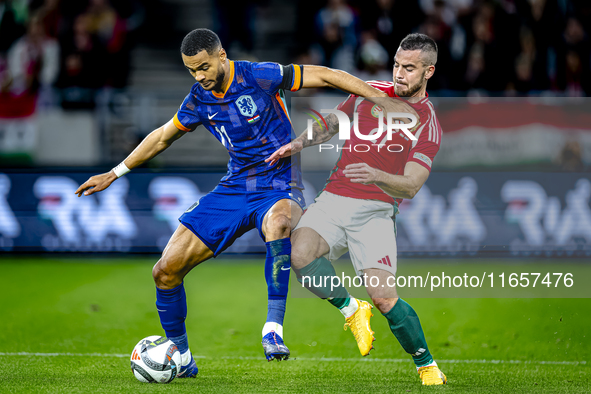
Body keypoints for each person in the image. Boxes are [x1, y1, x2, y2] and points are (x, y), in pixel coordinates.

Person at [74, 28, 410, 377]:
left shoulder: (260, 76)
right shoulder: (198, 99)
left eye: (203, 67)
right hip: (235, 187)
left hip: (280, 182)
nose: (199, 76)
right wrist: (114, 173)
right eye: (192, 70)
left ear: (222, 55)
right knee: (165, 271)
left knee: (279, 222)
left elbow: (327, 75)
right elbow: (161, 138)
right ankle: (184, 359)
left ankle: (273, 330)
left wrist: (381, 100)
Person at [266, 33, 446, 386]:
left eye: (409, 68)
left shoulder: (428, 124)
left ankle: (426, 364)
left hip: (376, 211)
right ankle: (352, 309)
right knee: (299, 254)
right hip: (334, 198)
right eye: (396, 65)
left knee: (383, 298)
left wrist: (376, 174)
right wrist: (298, 143)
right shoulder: (370, 92)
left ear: (429, 72)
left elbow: (411, 185)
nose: (399, 73)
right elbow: (331, 123)